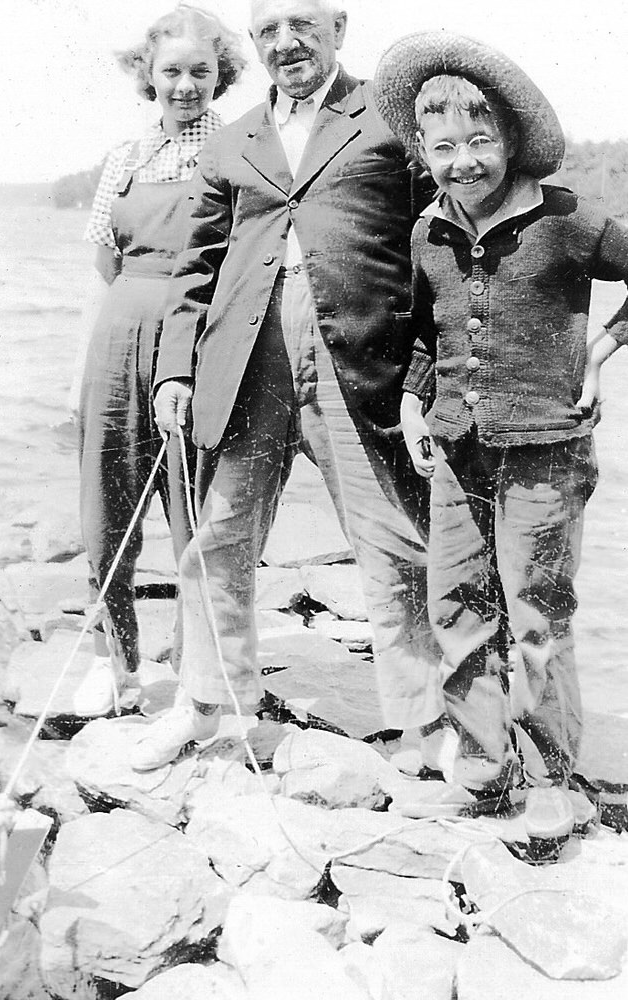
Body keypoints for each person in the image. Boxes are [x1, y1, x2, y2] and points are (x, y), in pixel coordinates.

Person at [129, 0, 442, 771]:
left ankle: (426, 730)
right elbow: (193, 269)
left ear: (339, 27)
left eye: (302, 23)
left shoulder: (393, 116)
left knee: (393, 543)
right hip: (246, 364)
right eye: (268, 30)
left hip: (361, 365)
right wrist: (174, 368)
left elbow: (439, 247)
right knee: (219, 539)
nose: (286, 42)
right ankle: (205, 707)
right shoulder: (234, 142)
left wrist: (426, 376)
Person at [374, 31, 628, 838]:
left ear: (512, 141)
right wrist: (416, 403)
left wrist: (600, 354)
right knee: (456, 607)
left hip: (546, 454)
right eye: (444, 147)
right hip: (455, 450)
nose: (465, 162)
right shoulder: (427, 230)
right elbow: (428, 335)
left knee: (536, 617)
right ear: (424, 151)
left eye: (481, 141)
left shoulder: (568, 222)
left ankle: (555, 776)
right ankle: (483, 766)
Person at [72, 5, 246, 717]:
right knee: (105, 504)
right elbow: (102, 262)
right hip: (119, 332)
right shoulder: (126, 156)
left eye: (199, 72)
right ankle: (112, 663)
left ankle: (198, 667)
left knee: (192, 505)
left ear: (220, 76)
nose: (184, 86)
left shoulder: (237, 151)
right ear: (149, 75)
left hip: (199, 338)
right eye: (170, 71)